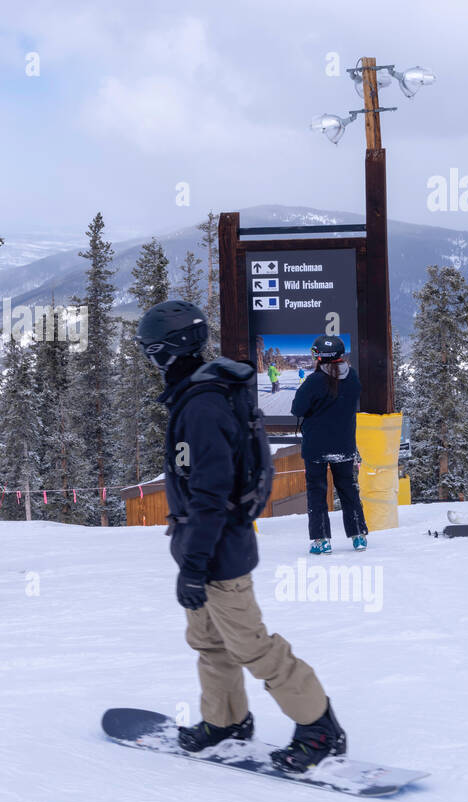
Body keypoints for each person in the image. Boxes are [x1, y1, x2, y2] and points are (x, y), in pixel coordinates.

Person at [137, 299, 346, 774]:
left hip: (219, 554)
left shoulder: (204, 407)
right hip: (204, 546)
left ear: (171, 351)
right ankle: (225, 719)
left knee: (252, 645)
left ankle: (319, 727)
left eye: (152, 351)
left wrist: (194, 566)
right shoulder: (200, 395)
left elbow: (210, 493)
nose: (150, 361)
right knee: (210, 643)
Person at [291, 334, 368, 554]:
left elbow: (297, 408)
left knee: (316, 491)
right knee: (348, 489)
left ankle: (321, 540)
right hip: (344, 445)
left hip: (316, 446)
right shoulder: (352, 377)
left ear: (320, 356)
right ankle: (358, 536)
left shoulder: (315, 381)